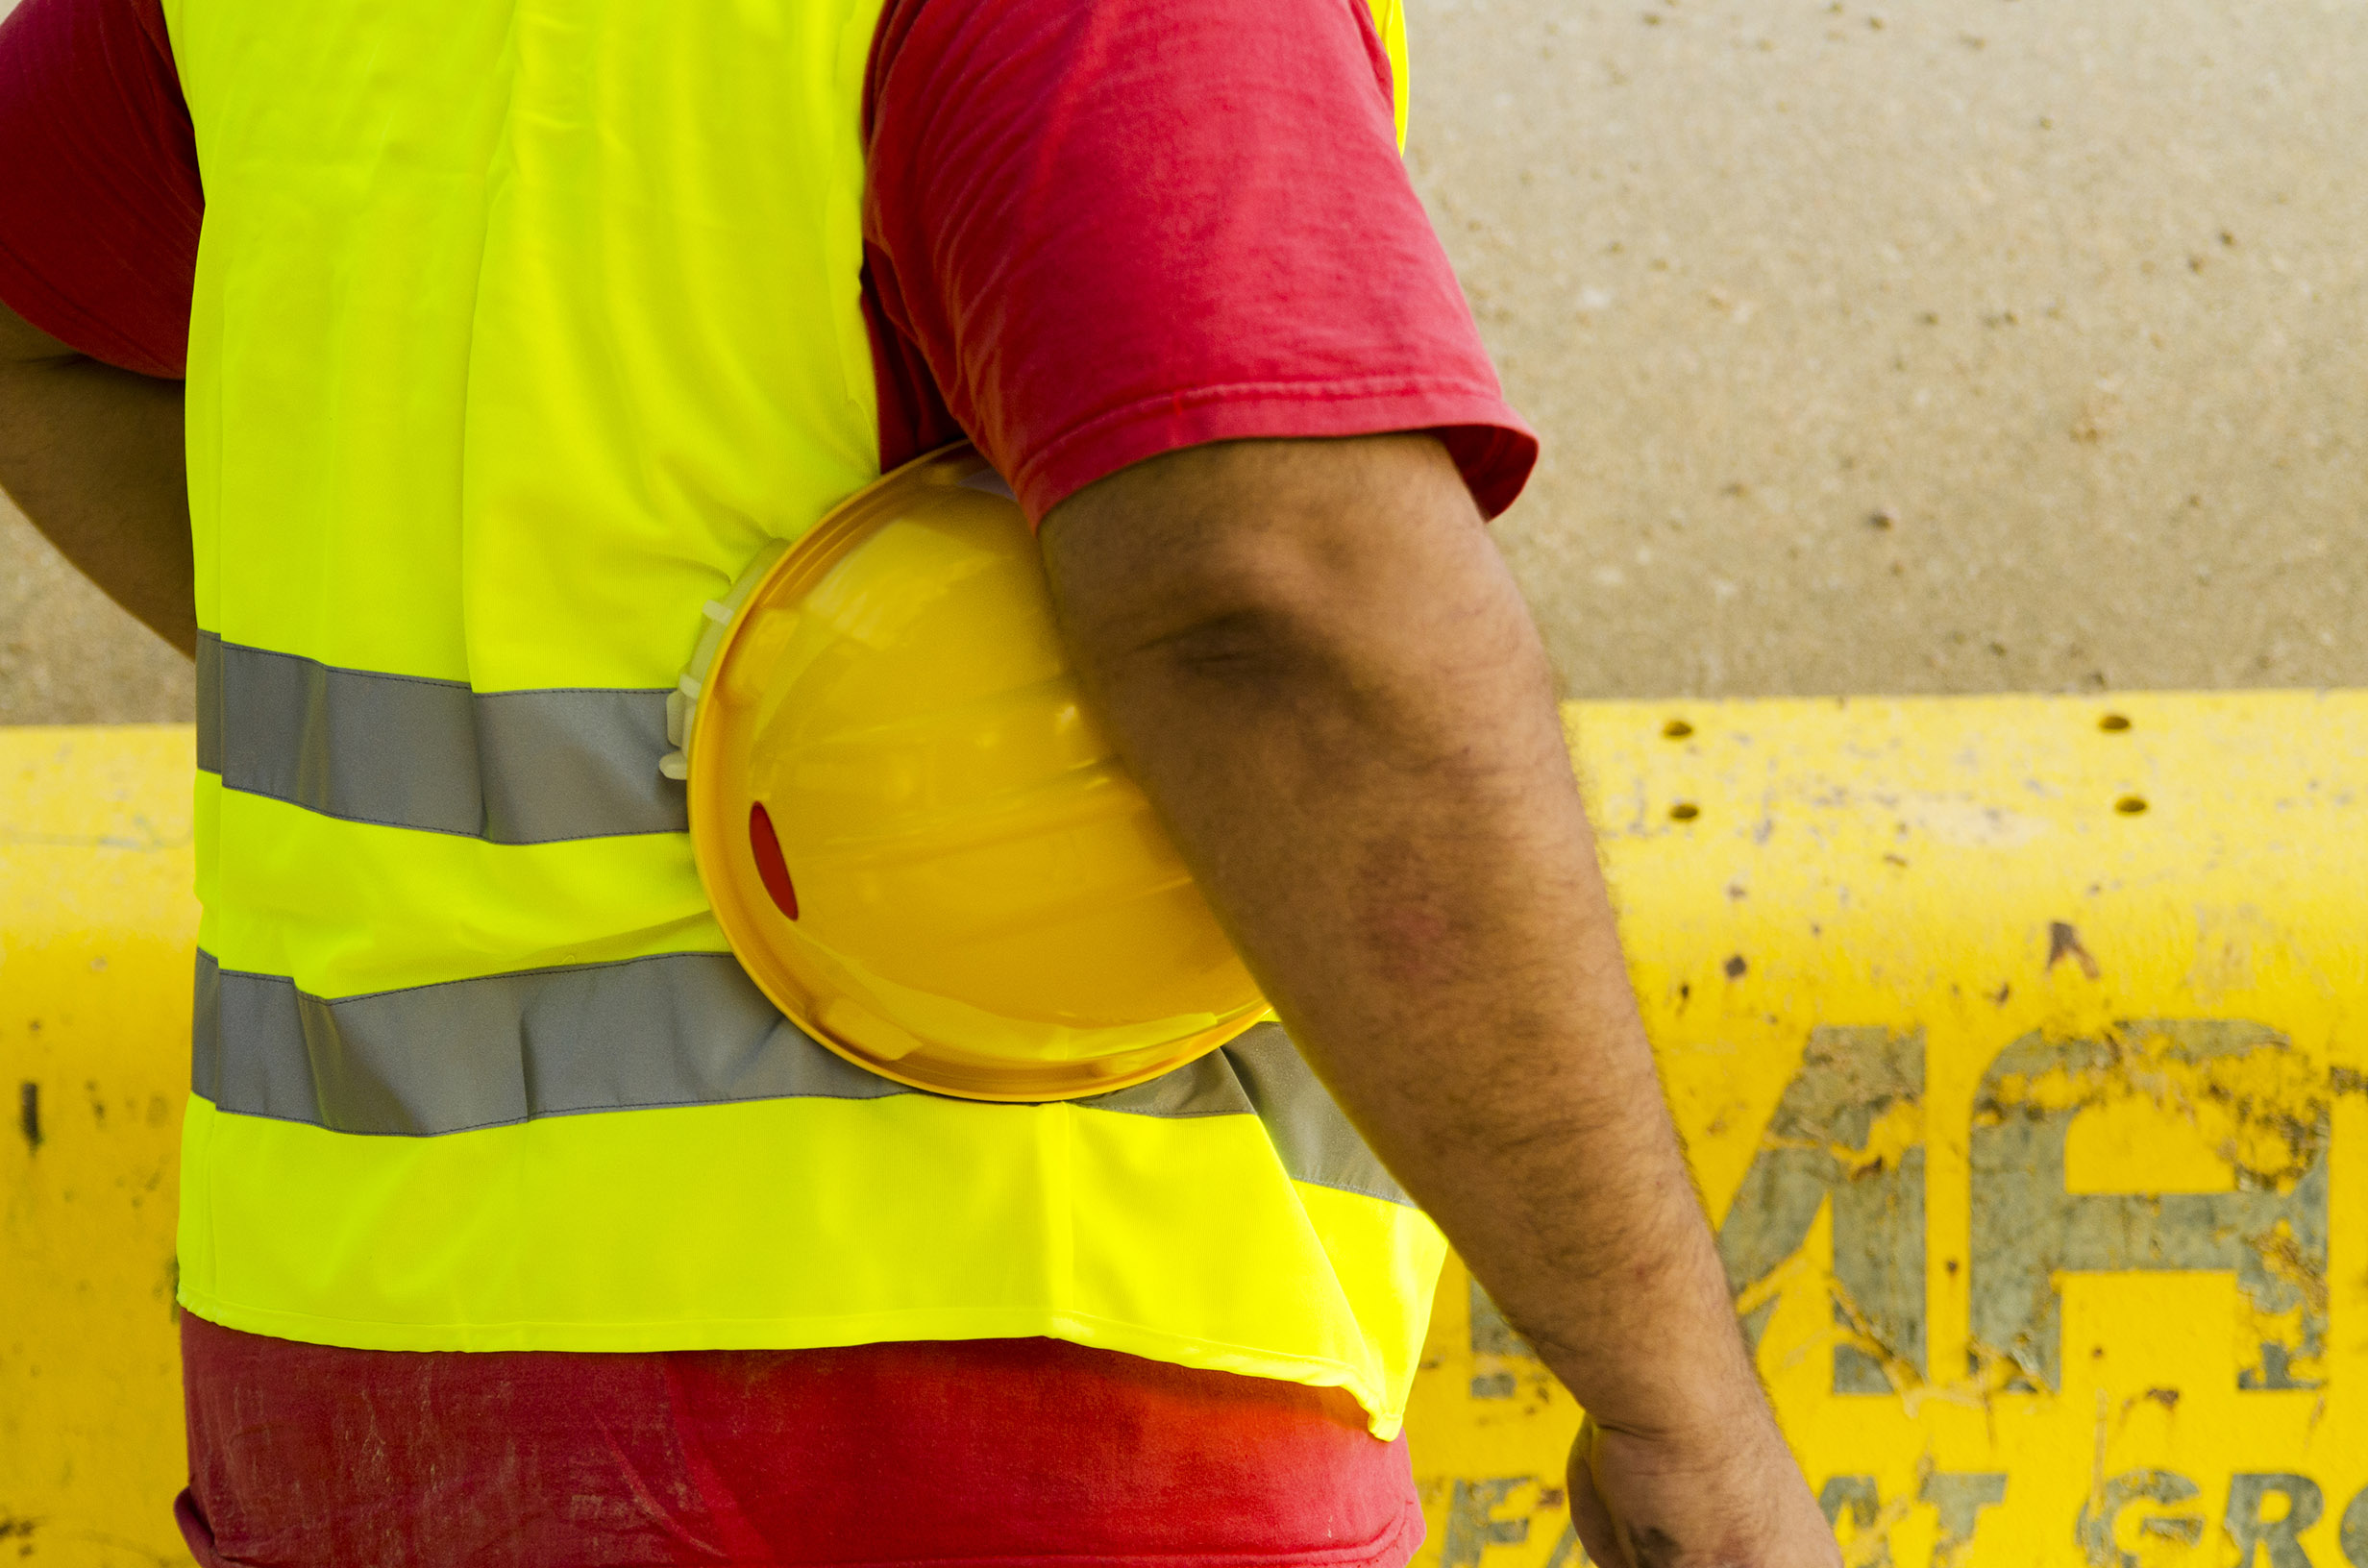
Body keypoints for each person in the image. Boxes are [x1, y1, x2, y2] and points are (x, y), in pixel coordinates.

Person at [0, 0, 1837, 1560]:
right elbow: (1273, 599)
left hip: (356, 1386)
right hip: (977, 1396)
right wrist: (1690, 1428)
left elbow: (33, 329)